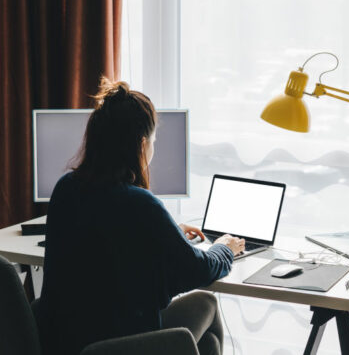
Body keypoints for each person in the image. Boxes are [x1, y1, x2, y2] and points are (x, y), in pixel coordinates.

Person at [39, 78, 245, 355]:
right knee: (206, 304)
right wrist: (225, 248)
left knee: (206, 344)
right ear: (142, 144)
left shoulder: (66, 187)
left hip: (66, 343)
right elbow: (197, 270)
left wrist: (169, 230)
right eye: (154, 141)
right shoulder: (140, 203)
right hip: (123, 346)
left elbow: (109, 239)